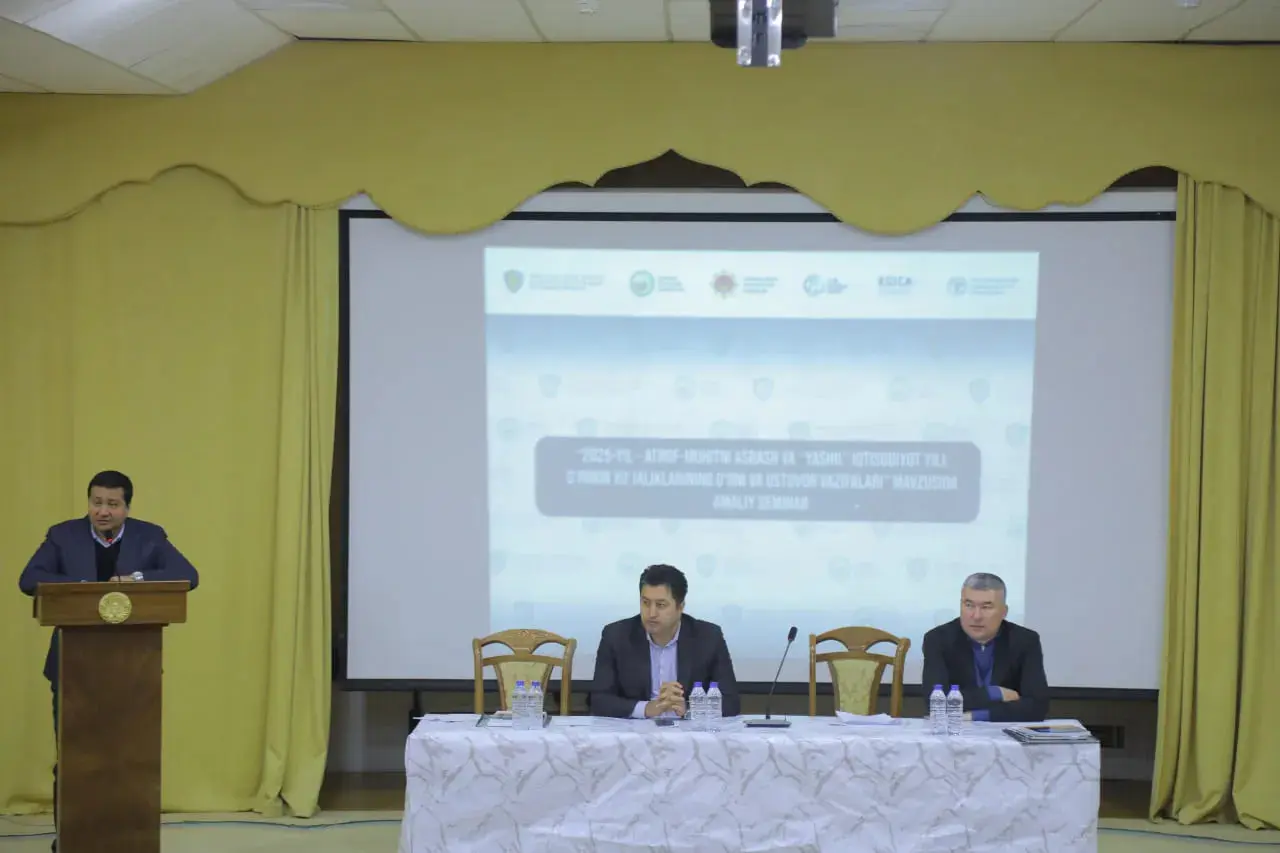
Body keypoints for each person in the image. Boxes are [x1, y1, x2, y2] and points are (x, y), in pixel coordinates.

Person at [17, 470, 199, 852]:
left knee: (132, 758)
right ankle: (72, 839)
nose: (102, 511)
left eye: (112, 504)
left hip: (135, 671)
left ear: (127, 507)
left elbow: (188, 575)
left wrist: (137, 578)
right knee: (76, 758)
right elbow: (29, 579)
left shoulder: (150, 537)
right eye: (96, 502)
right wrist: (82, 590)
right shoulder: (62, 536)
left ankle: (131, 839)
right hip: (73, 669)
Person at [590, 563, 740, 719]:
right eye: (645, 603)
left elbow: (731, 702)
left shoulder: (708, 637)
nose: (651, 613)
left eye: (660, 605)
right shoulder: (616, 636)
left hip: (689, 730)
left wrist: (688, 709)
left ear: (680, 607)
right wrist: (646, 708)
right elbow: (599, 700)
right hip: (636, 730)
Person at [920, 572, 1048, 723]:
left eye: (986, 607)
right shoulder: (938, 639)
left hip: (1004, 732)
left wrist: (975, 716)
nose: (976, 616)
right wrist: (994, 693)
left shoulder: (1025, 640)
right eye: (969, 605)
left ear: (1004, 612)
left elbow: (1037, 706)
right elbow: (936, 702)